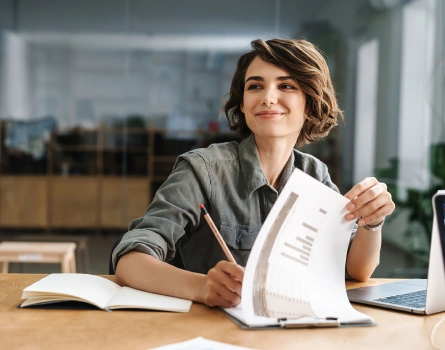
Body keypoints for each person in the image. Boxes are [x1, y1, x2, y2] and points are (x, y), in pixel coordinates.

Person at [113, 38, 395, 308]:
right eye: (255, 86)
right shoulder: (202, 169)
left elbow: (355, 270)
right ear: (244, 103)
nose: (268, 98)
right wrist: (202, 287)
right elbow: (130, 262)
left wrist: (371, 222)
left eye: (286, 86)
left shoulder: (314, 173)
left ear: (309, 102)